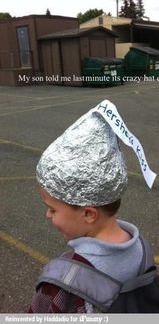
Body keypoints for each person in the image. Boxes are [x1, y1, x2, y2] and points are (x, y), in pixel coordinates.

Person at [28, 104, 144, 313]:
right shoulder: (141, 249)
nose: (47, 214)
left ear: (89, 214)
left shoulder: (62, 283)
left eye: (52, 209)